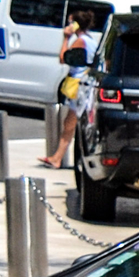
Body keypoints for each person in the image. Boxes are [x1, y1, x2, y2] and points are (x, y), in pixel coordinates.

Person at [41, 16, 102, 168]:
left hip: (79, 86)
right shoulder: (91, 40)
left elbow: (63, 58)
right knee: (70, 122)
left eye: (71, 22)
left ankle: (58, 159)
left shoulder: (80, 41)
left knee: (72, 123)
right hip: (84, 84)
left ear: (76, 25)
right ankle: (57, 157)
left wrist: (65, 38)